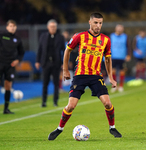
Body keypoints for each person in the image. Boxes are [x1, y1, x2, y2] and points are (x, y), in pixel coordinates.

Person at [48, 12, 122, 140]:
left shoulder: (105, 40)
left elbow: (108, 59)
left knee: (108, 104)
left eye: (100, 23)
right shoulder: (80, 36)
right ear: (90, 22)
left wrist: (110, 77)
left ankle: (112, 128)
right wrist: (65, 69)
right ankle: (59, 129)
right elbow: (67, 50)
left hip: (96, 76)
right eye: (95, 23)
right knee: (71, 106)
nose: (98, 26)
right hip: (80, 75)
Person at [35, 19, 65, 107]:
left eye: (54, 27)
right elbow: (40, 49)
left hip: (56, 63)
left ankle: (55, 102)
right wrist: (37, 61)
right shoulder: (43, 36)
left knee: (56, 83)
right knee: (45, 83)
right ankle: (43, 102)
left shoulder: (60, 37)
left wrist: (64, 62)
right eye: (51, 26)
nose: (53, 28)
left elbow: (64, 51)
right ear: (48, 27)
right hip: (46, 63)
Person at [0, 20, 24, 114]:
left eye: (14, 26)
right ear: (7, 27)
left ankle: (6, 108)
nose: (12, 27)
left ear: (16, 27)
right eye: (10, 26)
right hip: (0, 63)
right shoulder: (2, 35)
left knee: (8, 85)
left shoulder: (17, 39)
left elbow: (21, 52)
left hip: (10, 65)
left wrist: (17, 60)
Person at [110, 24, 131, 93]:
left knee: (122, 71)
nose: (119, 29)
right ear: (115, 29)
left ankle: (121, 86)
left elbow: (128, 46)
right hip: (113, 56)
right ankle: (114, 86)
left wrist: (128, 55)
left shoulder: (125, 37)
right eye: (118, 28)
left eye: (121, 28)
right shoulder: (112, 36)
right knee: (113, 71)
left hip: (122, 56)